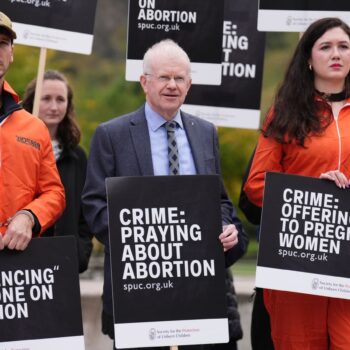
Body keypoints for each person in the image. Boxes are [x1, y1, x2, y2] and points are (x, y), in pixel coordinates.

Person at [82, 39, 248, 349]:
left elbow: (219, 199)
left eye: (179, 78)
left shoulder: (205, 132)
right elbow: (94, 204)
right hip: (141, 287)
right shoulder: (112, 135)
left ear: (189, 84)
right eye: (164, 77)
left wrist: (226, 227)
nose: (172, 85)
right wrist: (140, 238)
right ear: (145, 82)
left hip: (200, 290)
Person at [244, 17, 350, 349]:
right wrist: (310, 191)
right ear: (308, 58)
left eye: (344, 46)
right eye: (326, 46)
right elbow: (256, 185)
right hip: (296, 266)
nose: (336, 53)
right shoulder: (285, 112)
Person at [0, 12, 65, 251]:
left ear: (11, 54)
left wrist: (29, 216)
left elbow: (54, 193)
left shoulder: (34, 127)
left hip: (19, 267)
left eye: (3, 43)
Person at [22, 70, 93, 273]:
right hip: (19, 258)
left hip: (64, 263)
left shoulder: (77, 156)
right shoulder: (12, 147)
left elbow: (85, 212)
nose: (54, 107)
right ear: (31, 101)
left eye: (60, 99)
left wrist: (80, 252)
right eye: (46, 98)